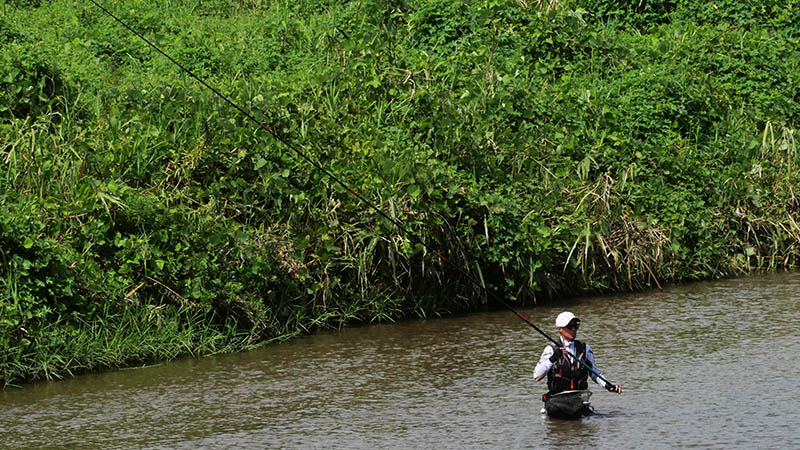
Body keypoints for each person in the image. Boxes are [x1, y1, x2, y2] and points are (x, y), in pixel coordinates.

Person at [534, 311, 621, 416]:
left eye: (576, 326)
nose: (574, 329)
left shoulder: (585, 349)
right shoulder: (551, 350)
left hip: (578, 401)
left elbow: (595, 373)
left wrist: (608, 386)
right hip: (556, 402)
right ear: (560, 329)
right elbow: (537, 376)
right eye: (570, 326)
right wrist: (553, 358)